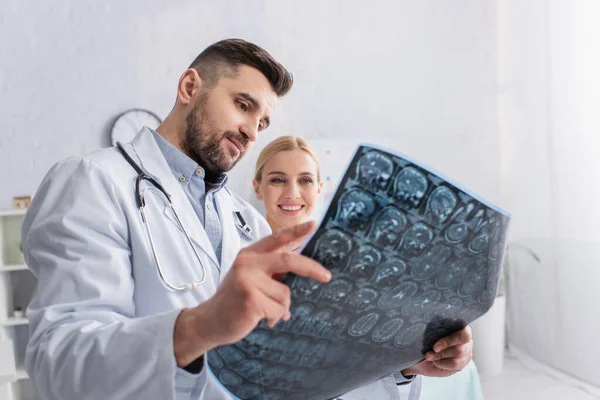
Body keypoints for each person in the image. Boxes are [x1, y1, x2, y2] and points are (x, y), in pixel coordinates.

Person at [21, 39, 471, 400]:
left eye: (263, 122)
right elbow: (57, 364)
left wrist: (405, 364)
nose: (251, 131)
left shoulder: (246, 224)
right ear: (189, 87)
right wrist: (199, 326)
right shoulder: (94, 181)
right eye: (243, 104)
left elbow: (285, 371)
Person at [252, 136, 474, 399]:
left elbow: (365, 355)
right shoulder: (239, 261)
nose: (292, 193)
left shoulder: (355, 260)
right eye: (277, 179)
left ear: (320, 188)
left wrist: (411, 365)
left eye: (305, 180)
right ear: (257, 188)